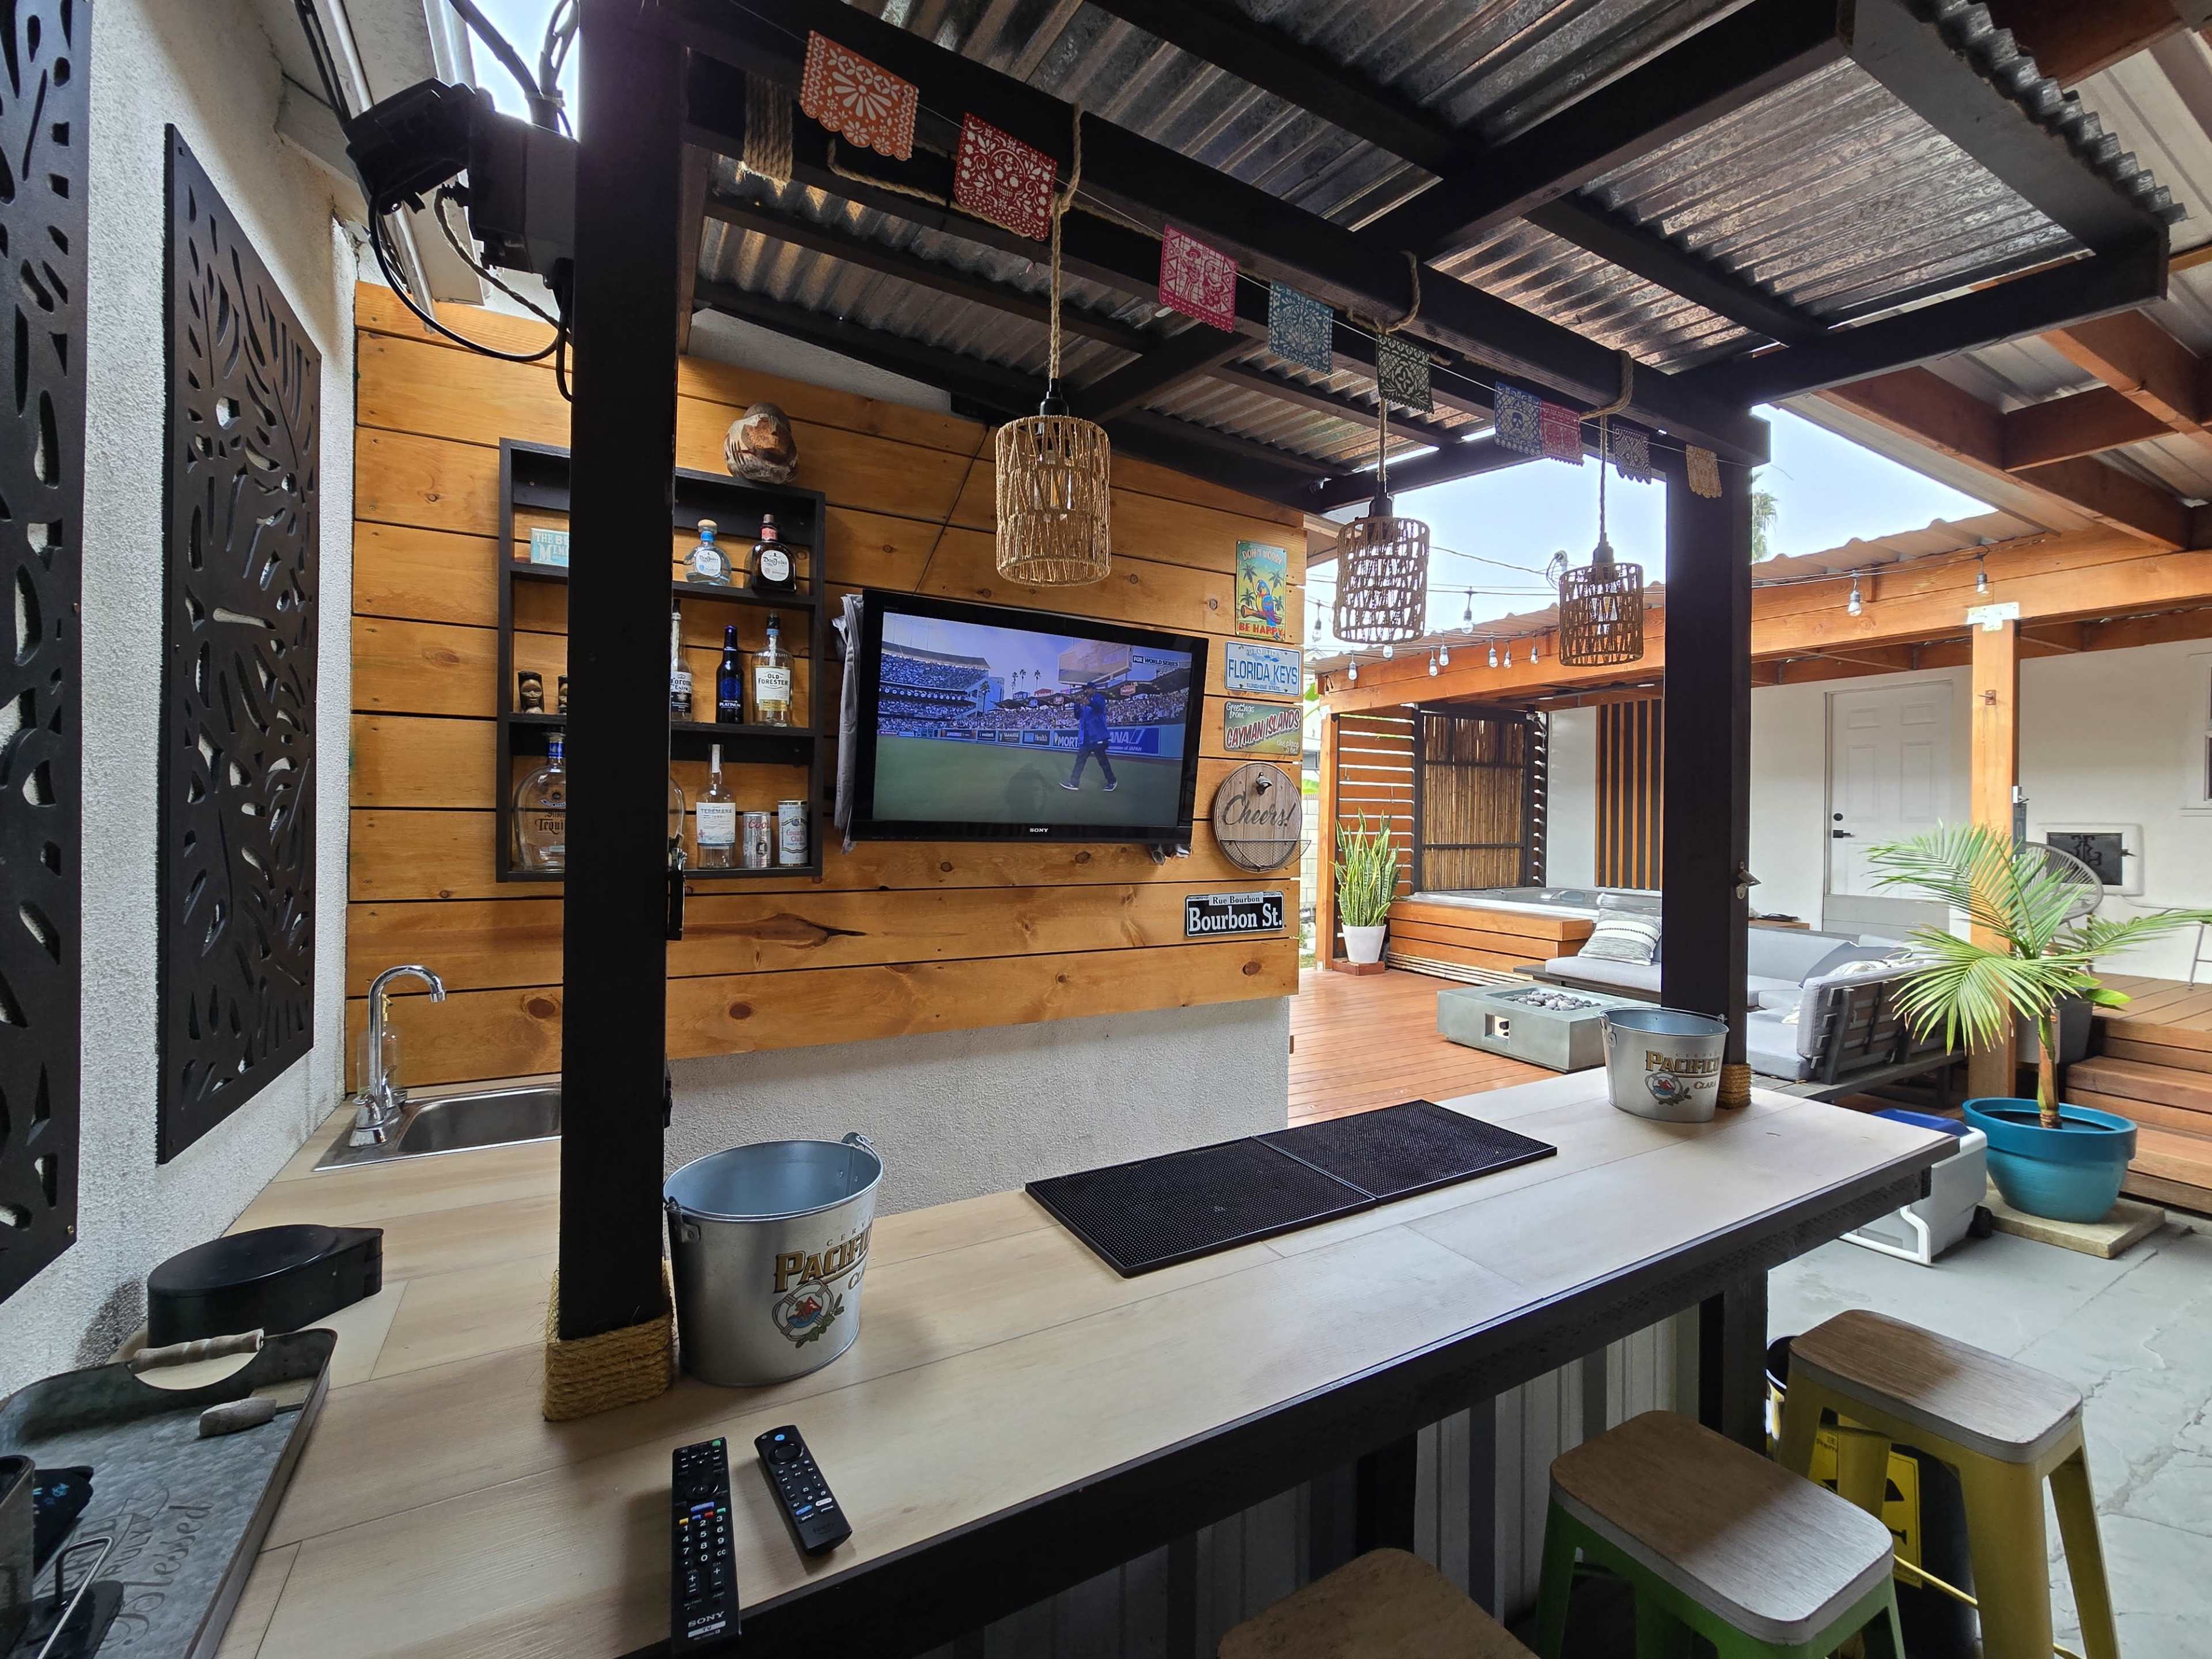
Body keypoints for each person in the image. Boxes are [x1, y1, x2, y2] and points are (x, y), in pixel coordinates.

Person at [1059, 683, 1118, 793]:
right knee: (1080, 761)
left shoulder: (1099, 698)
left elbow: (1098, 706)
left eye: (1088, 689)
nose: (1086, 691)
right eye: (1085, 689)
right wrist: (1076, 703)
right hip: (1086, 738)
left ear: (1093, 689)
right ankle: (1074, 783)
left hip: (1098, 736)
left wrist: (1088, 702)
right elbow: (1078, 716)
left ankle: (1112, 781)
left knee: (1103, 761)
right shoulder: (1084, 702)